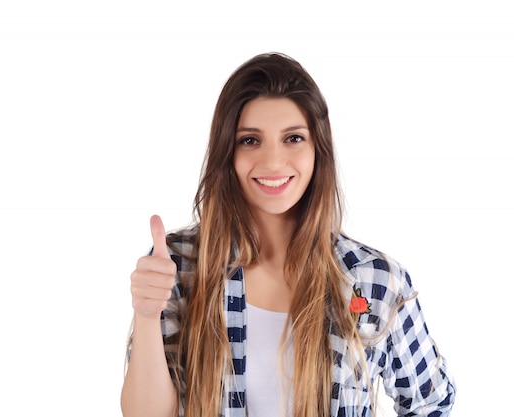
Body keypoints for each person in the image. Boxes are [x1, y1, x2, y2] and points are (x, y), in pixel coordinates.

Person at [121, 52, 456, 417]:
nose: (274, 162)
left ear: (318, 150)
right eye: (250, 140)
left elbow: (431, 402)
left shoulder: (376, 280)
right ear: (227, 153)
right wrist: (147, 315)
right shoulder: (179, 265)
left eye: (293, 138)